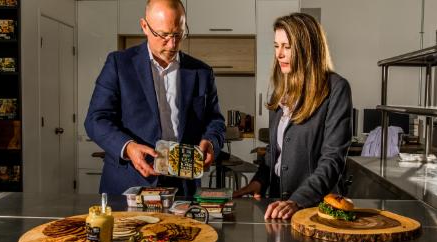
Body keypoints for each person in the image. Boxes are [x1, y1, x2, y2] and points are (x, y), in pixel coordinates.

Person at [84, 0, 225, 196]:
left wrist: (210, 141)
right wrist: (128, 147)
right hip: (128, 185)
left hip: (183, 189)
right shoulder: (119, 64)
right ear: (144, 27)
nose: (173, 44)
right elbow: (95, 120)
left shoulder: (201, 72)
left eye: (179, 34)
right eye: (164, 35)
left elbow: (215, 121)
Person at [233, 13, 352, 219]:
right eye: (276, 46)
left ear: (308, 49)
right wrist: (258, 181)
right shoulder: (280, 92)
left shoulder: (336, 89)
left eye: (287, 47)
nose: (279, 54)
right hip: (278, 204)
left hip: (316, 208)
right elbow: (274, 152)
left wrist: (297, 200)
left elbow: (332, 160)